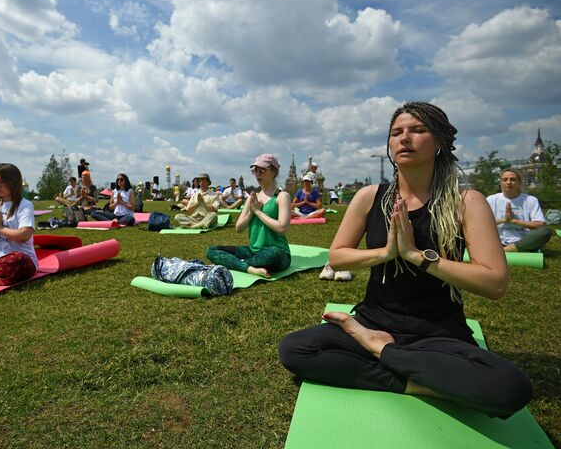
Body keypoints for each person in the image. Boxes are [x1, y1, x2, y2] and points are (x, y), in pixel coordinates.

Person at [278, 102, 532, 419]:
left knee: (510, 388)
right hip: (374, 320)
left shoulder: (466, 201)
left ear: (439, 141)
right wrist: (386, 253)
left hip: (437, 332)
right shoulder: (369, 196)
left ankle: (381, 351)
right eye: (396, 132)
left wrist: (418, 256)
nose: (404, 138)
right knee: (295, 349)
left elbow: (495, 283)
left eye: (418, 130)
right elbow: (338, 257)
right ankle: (419, 381)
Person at [206, 154, 291, 278]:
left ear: (274, 171)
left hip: (277, 253)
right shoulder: (252, 197)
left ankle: (235, 264)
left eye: (261, 170)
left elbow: (282, 228)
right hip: (253, 251)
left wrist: (258, 212)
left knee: (273, 253)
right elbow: (239, 228)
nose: (257, 174)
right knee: (211, 250)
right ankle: (250, 268)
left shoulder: (282, 196)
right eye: (255, 171)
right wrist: (251, 212)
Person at [486, 169, 552, 253]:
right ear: (500, 183)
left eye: (512, 179)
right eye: (505, 179)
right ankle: (508, 249)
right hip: (497, 241)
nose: (508, 182)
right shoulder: (491, 199)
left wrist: (514, 221)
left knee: (545, 231)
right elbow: (483, 223)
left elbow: (540, 224)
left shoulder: (530, 200)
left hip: (524, 241)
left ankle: (504, 251)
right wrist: (504, 220)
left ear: (519, 182)